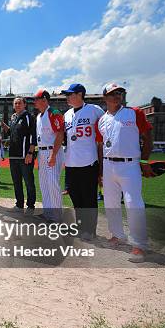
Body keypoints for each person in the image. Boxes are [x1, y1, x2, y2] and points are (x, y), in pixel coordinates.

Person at [96, 83, 155, 263]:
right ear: (105, 98)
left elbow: (147, 137)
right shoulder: (101, 120)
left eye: (120, 93)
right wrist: (99, 173)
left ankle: (139, 245)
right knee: (111, 202)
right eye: (113, 94)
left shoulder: (134, 112)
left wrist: (144, 161)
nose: (117, 96)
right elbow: (100, 146)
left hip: (130, 164)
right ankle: (117, 235)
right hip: (108, 165)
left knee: (133, 203)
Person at [61, 83, 104, 241]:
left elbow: (105, 132)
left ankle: (90, 230)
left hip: (89, 161)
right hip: (71, 162)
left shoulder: (94, 110)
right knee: (76, 197)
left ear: (80, 95)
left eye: (70, 94)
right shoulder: (67, 114)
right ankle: (81, 227)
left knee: (89, 198)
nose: (67, 97)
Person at [33, 89, 65, 222]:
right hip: (42, 151)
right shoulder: (39, 116)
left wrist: (53, 154)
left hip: (53, 150)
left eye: (36, 99)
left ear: (45, 100)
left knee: (53, 183)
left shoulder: (54, 113)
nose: (34, 102)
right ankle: (48, 213)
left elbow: (60, 133)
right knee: (44, 183)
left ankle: (57, 217)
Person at [6, 97, 37, 213]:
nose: (17, 105)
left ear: (25, 105)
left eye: (20, 103)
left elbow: (33, 136)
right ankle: (19, 204)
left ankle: (30, 205)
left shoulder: (28, 117)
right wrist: (3, 124)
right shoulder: (13, 117)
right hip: (13, 155)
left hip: (25, 155)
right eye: (15, 103)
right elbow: (11, 132)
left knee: (28, 181)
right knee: (16, 182)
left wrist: (30, 152)